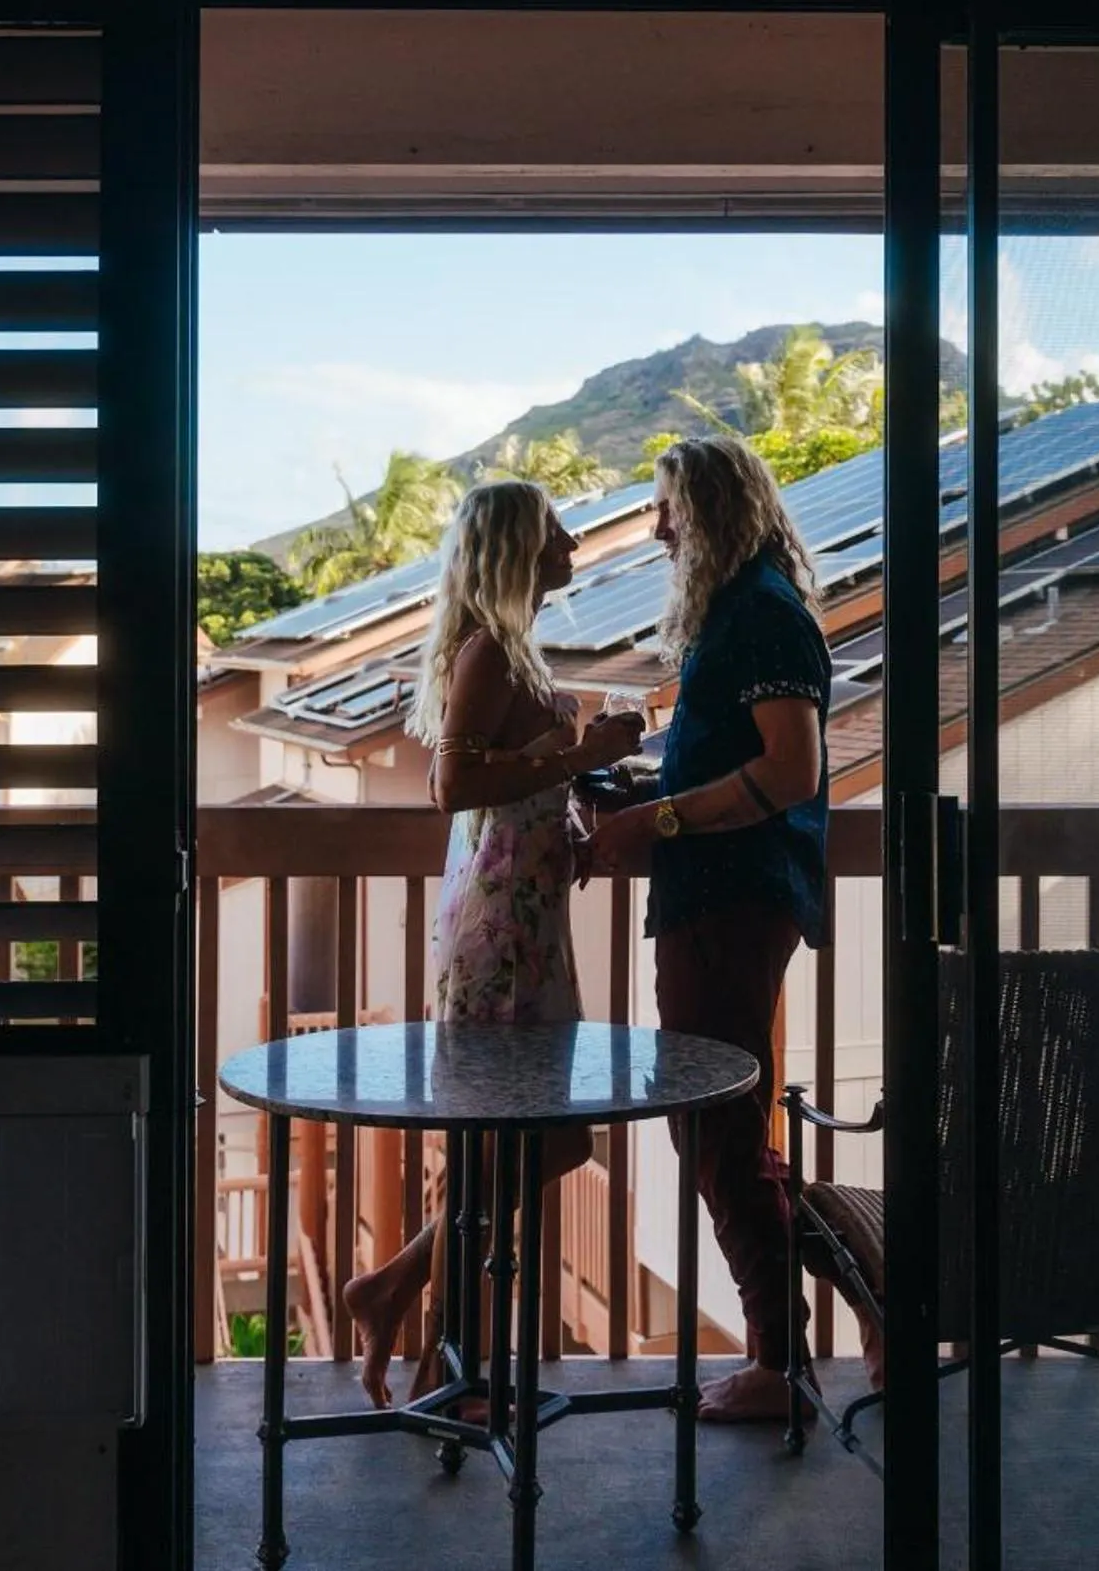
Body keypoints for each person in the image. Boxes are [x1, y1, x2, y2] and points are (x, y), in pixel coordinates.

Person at [341, 479, 644, 1409]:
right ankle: (443, 1352)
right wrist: (581, 758)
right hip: (499, 931)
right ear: (519, 546)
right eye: (556, 528)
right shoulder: (486, 651)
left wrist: (575, 809)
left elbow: (511, 786)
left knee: (540, 1145)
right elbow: (452, 783)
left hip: (529, 918)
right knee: (520, 1145)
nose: (574, 538)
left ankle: (400, 1296)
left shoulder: (514, 648)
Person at [585, 435, 831, 1423]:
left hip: (731, 903)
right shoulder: (741, 615)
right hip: (710, 901)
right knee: (721, 1129)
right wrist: (644, 793)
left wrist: (662, 820)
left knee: (719, 1130)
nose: (655, 528)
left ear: (712, 512)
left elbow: (790, 772)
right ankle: (840, 1318)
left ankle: (779, 1364)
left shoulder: (766, 618)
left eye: (668, 509)